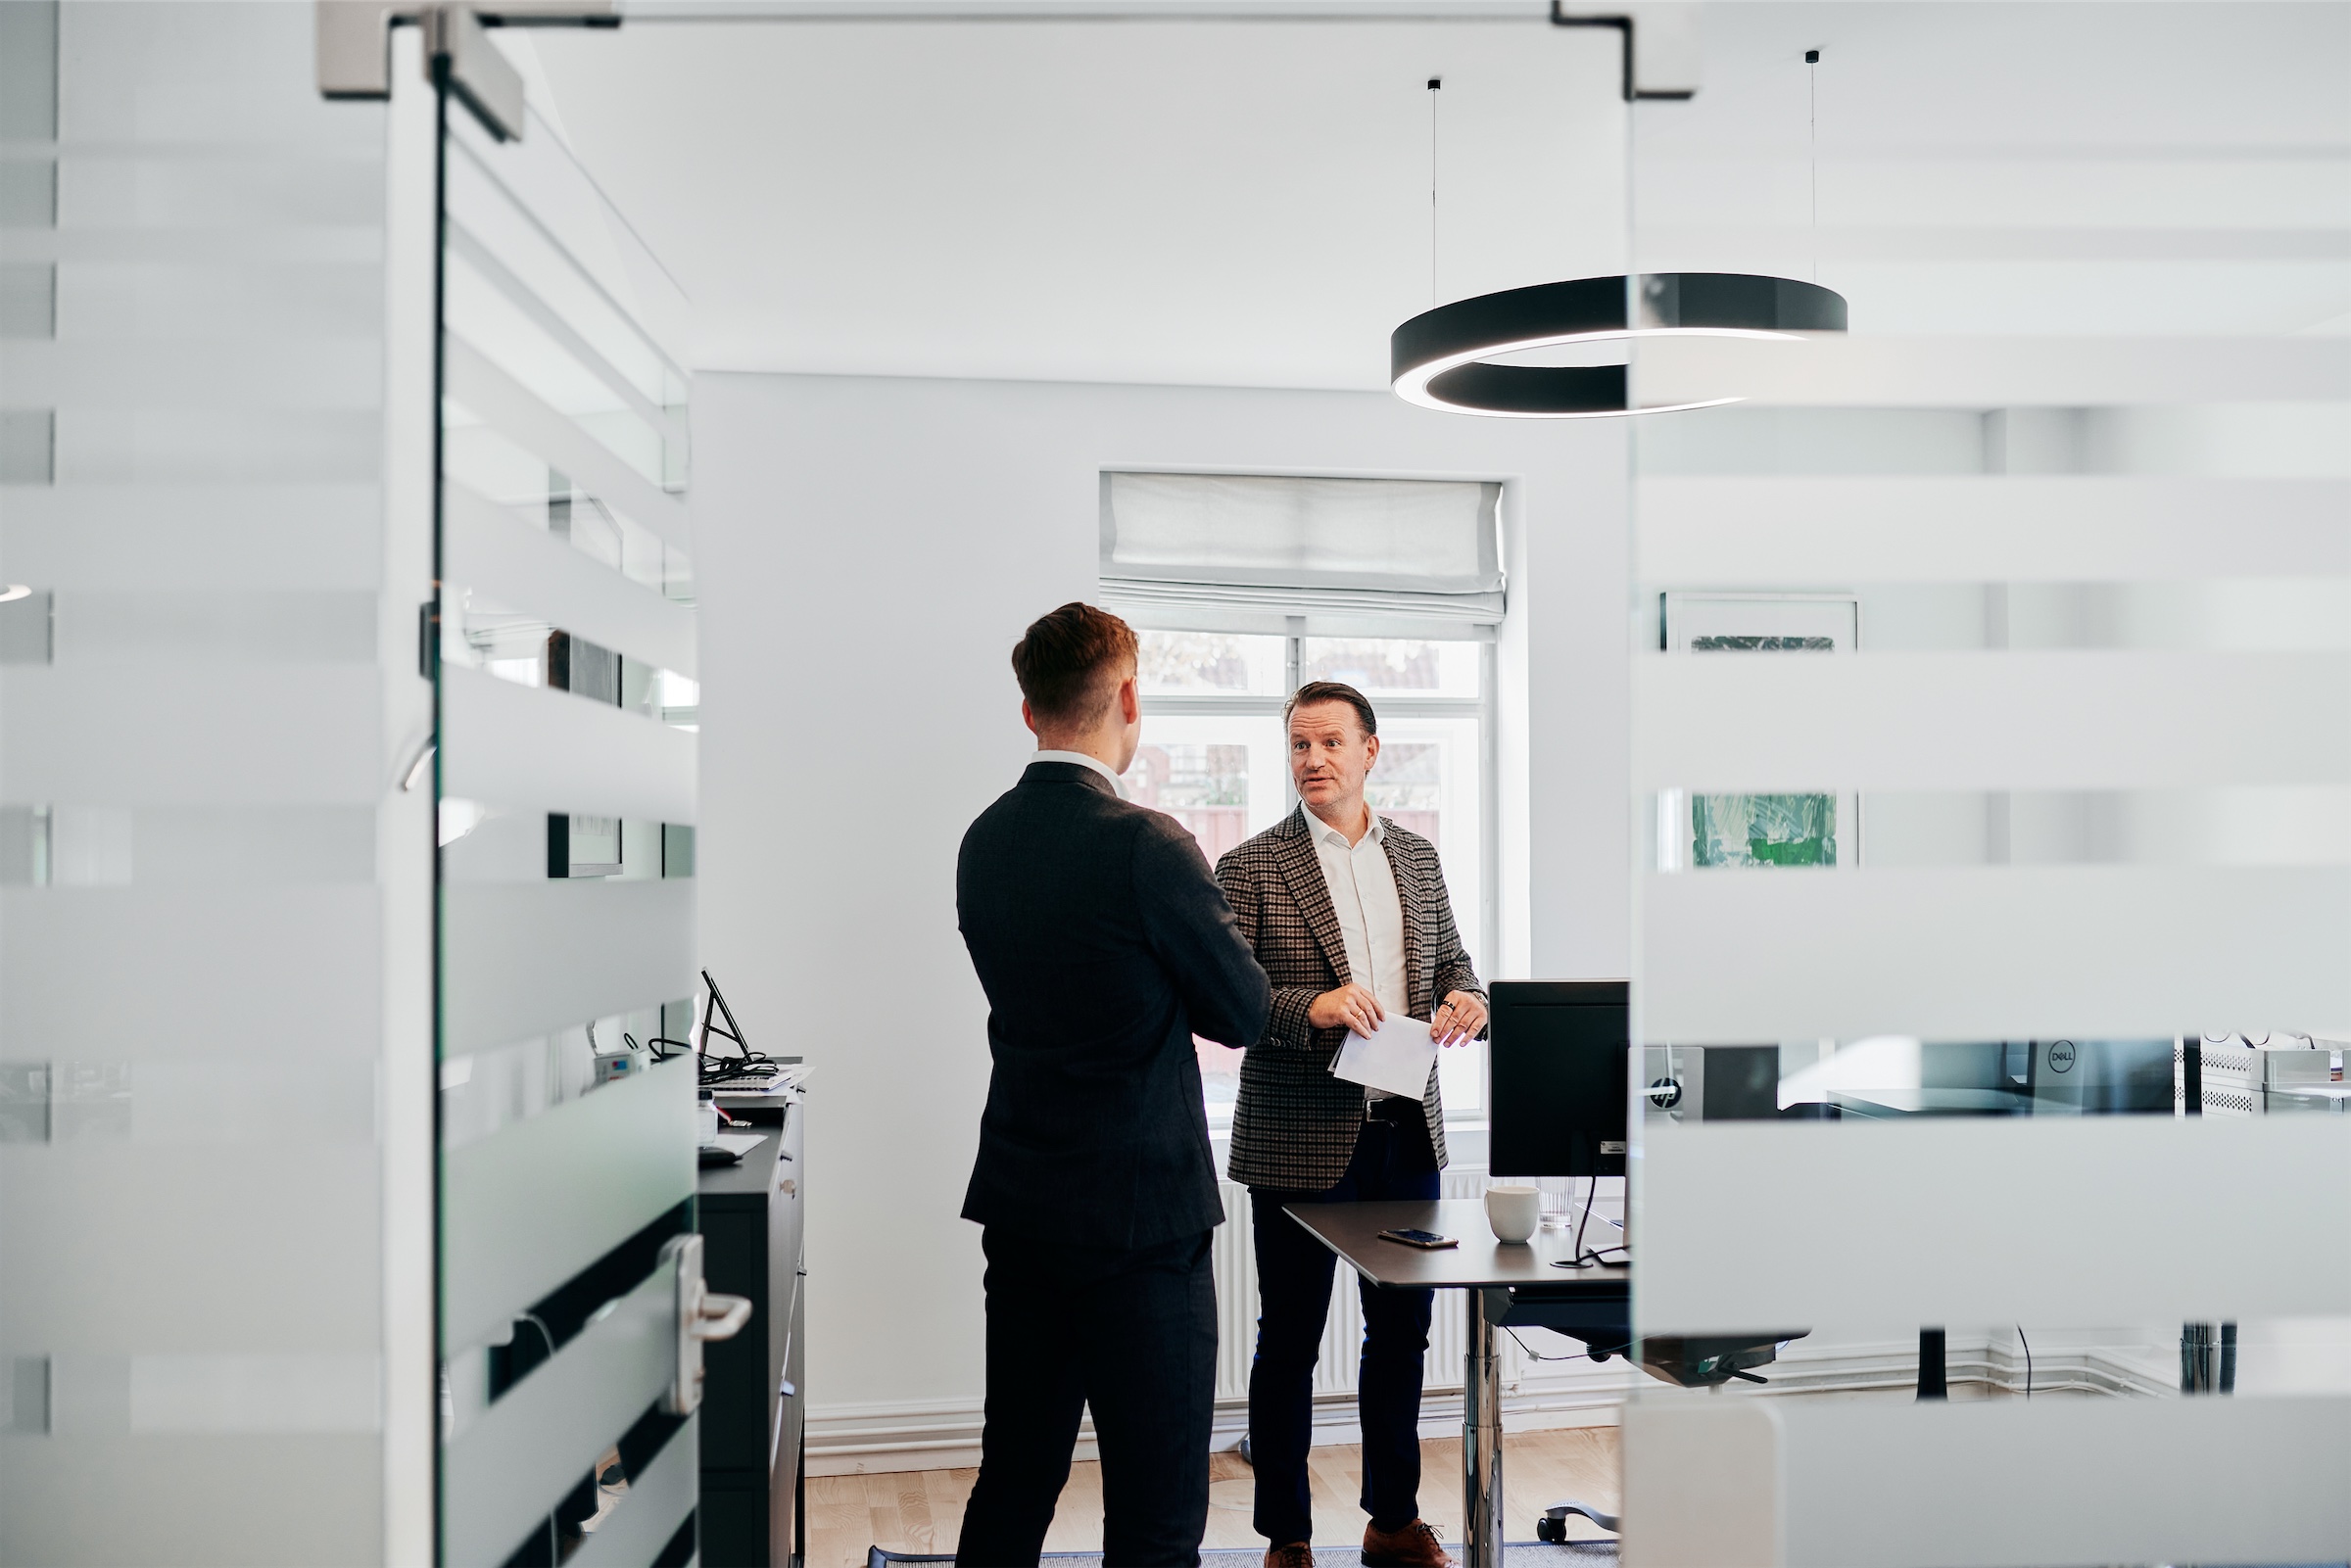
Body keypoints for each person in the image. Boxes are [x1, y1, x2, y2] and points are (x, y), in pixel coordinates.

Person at [954, 602, 1272, 1568]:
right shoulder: (1149, 844)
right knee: (1156, 1507)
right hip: (1144, 1228)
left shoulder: (984, 840)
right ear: (1128, 698)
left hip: (1024, 1210)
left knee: (1014, 1476)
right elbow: (1245, 1011)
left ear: (1028, 709)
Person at [1216, 680, 1489, 1568]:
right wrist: (1317, 1006)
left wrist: (1466, 999)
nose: (1313, 759)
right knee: (1288, 1339)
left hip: (1405, 1133)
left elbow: (1457, 964)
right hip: (1298, 1135)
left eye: (1330, 742)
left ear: (1372, 750)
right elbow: (1234, 1004)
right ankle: (1286, 1535)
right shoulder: (1251, 865)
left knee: (1402, 1333)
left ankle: (1391, 1520)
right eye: (1299, 744)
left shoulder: (1419, 856)